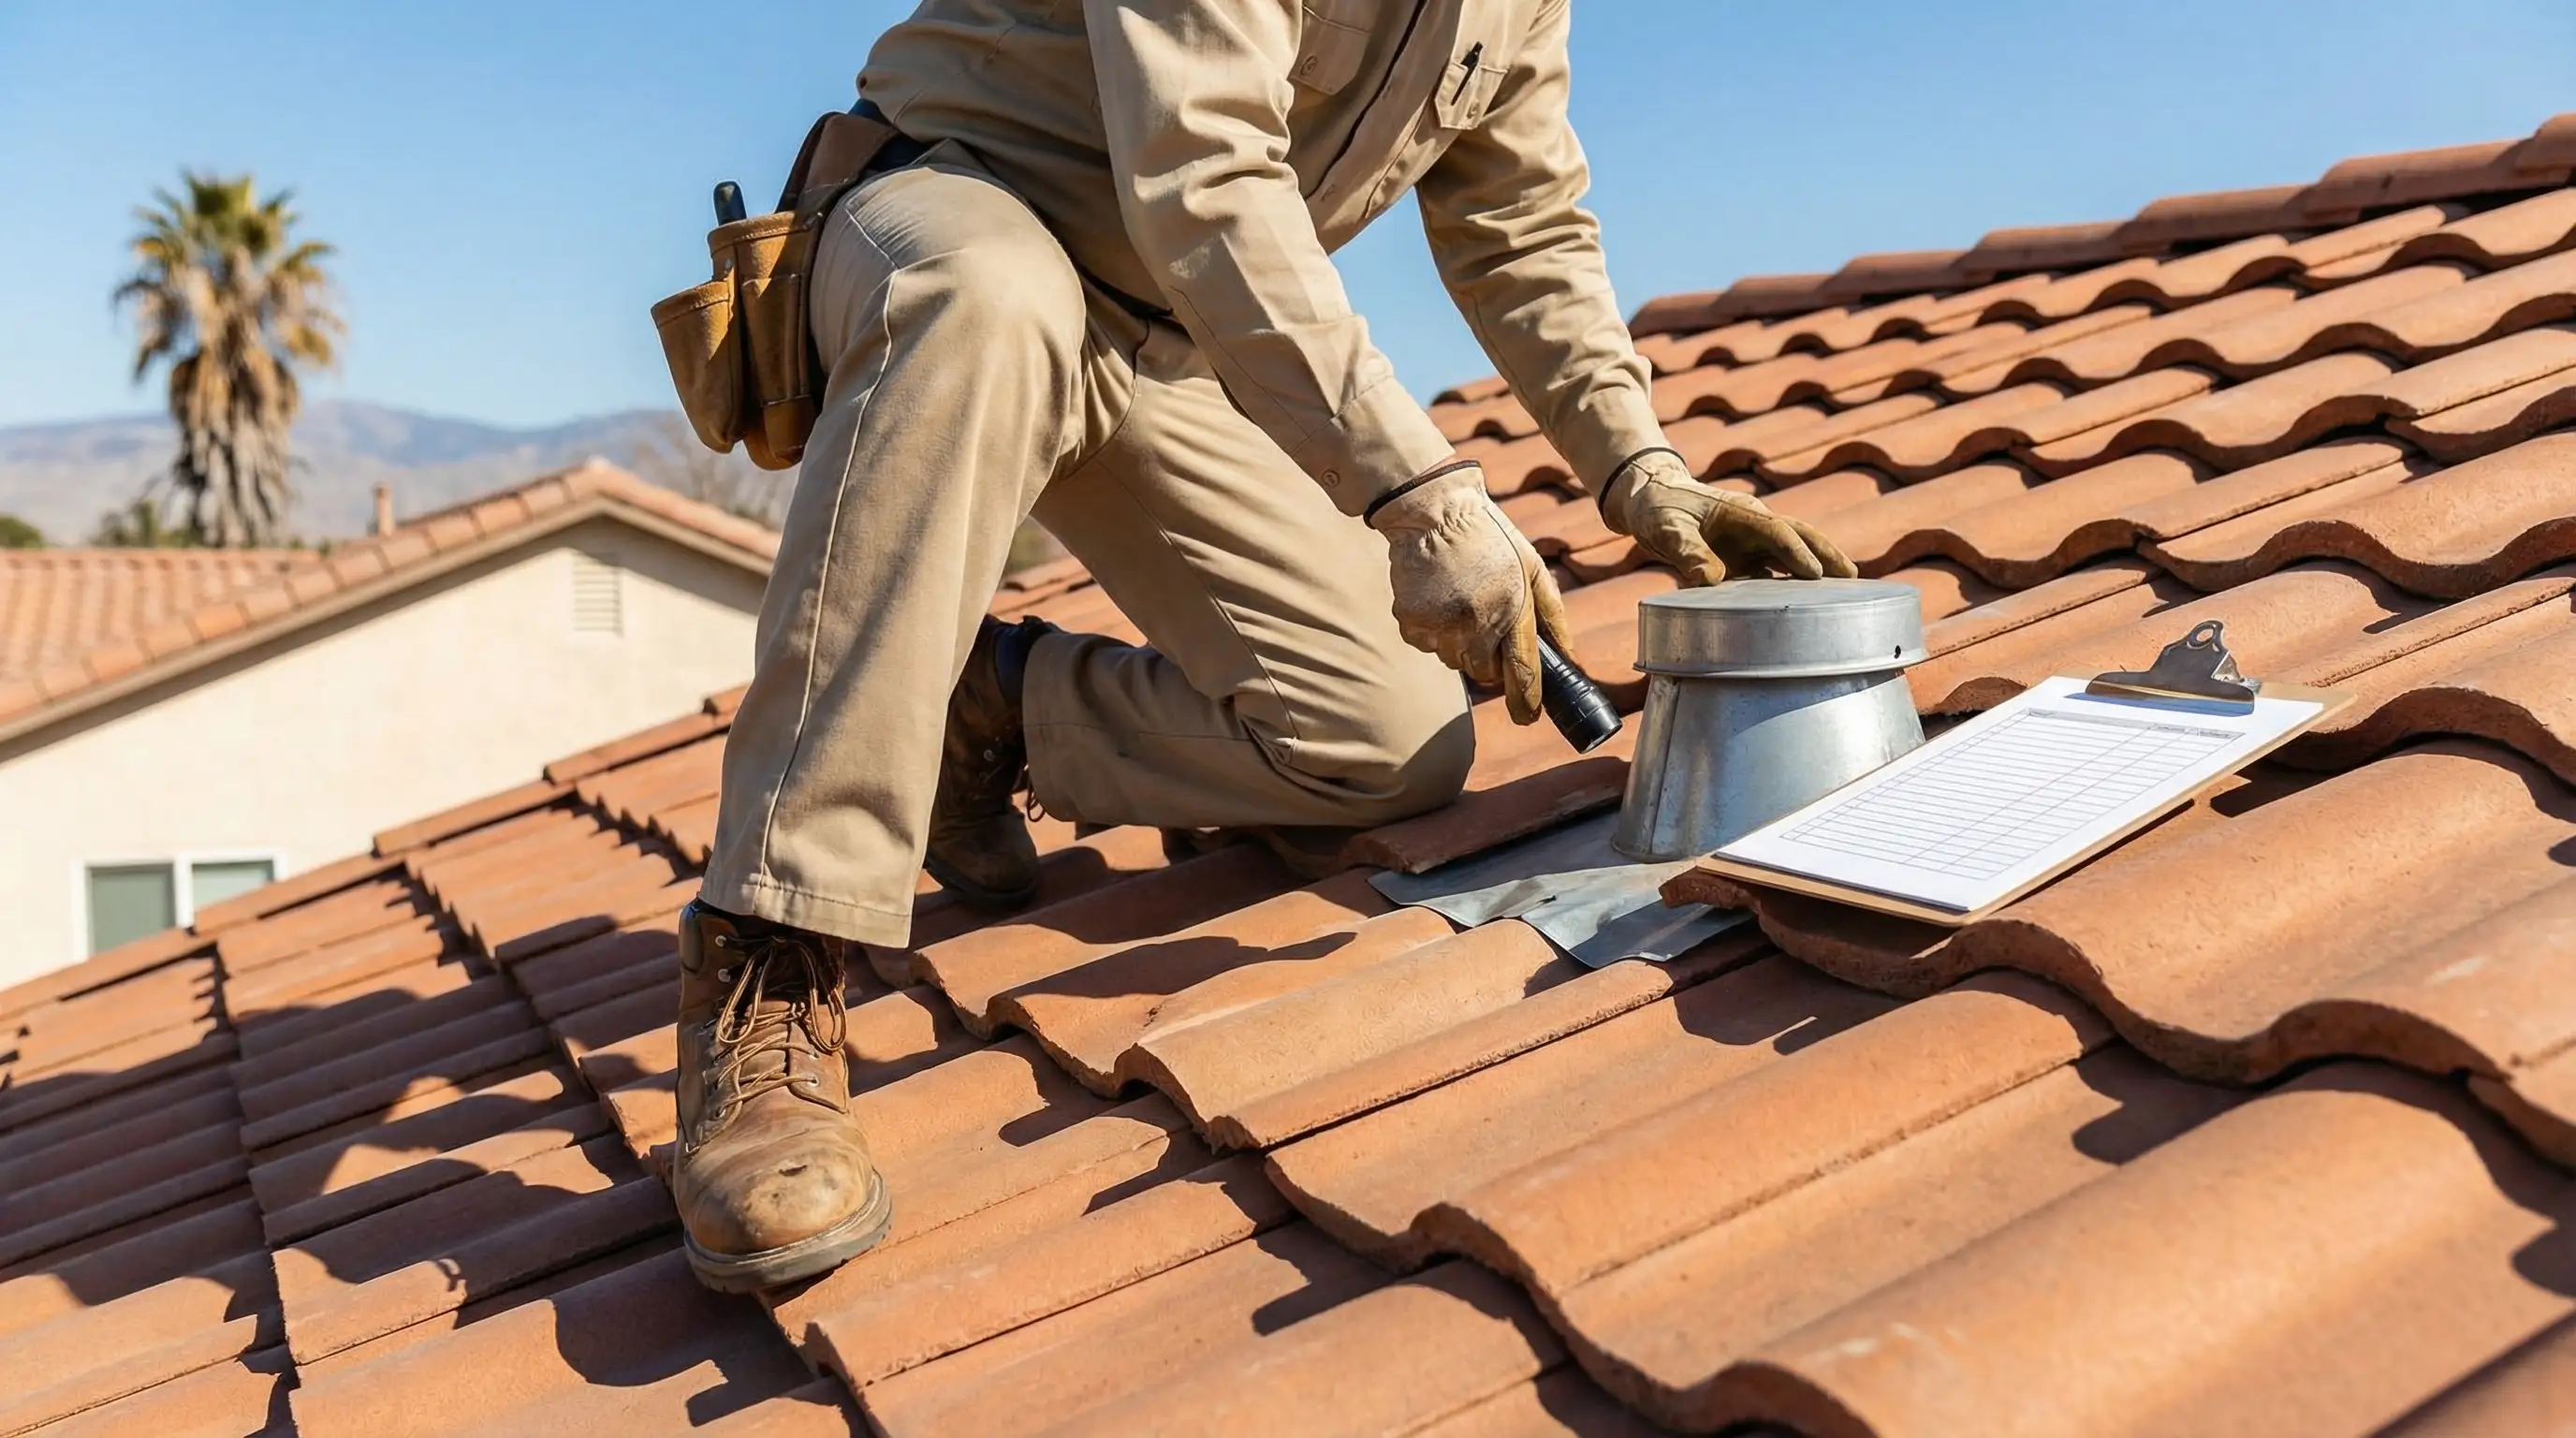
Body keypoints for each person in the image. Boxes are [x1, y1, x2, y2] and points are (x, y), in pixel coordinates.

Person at [667, 0, 1854, 1293]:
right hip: (957, 216)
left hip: (1164, 325)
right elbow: (1206, 171)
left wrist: (1640, 467)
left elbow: (1523, 229)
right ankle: (767, 950)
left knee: (1385, 741)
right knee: (986, 295)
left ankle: (988, 710)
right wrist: (1421, 496)